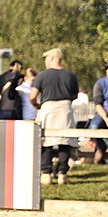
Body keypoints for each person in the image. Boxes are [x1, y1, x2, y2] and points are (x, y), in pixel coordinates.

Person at [31, 47, 79, 185]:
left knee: (46, 141)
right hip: (65, 108)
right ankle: (62, 174)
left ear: (52, 58)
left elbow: (32, 96)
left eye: (46, 58)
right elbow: (74, 95)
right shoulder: (71, 76)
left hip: (48, 107)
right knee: (65, 141)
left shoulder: (42, 75)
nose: (46, 61)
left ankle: (46, 174)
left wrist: (36, 105)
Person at [88, 58, 108, 165]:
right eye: (106, 68)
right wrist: (107, 120)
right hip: (104, 114)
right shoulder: (100, 83)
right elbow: (98, 105)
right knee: (93, 127)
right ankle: (101, 147)